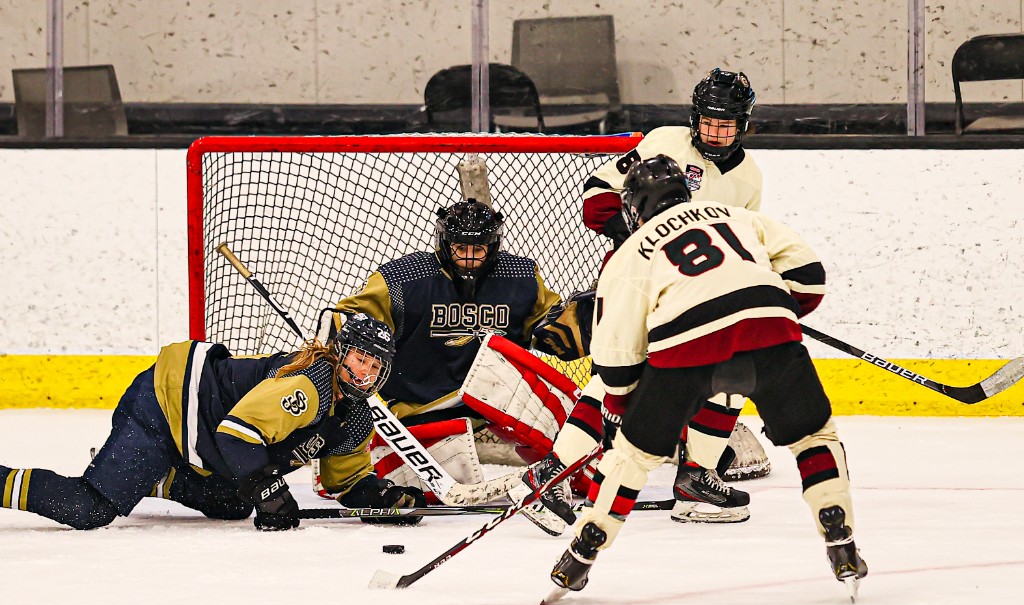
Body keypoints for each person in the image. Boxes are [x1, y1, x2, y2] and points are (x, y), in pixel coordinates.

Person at [545, 156, 867, 603]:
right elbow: (809, 279)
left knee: (633, 457)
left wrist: (623, 406)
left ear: (634, 206)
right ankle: (839, 532)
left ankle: (582, 552)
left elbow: (615, 351)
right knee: (813, 436)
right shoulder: (741, 217)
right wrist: (772, 314)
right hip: (769, 331)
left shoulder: (629, 254)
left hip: (685, 350)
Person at [523, 68, 768, 530]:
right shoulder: (664, 142)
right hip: (635, 284)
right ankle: (551, 474)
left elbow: (741, 240)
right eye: (709, 122)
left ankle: (697, 477)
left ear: (744, 124)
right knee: (618, 379)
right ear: (695, 119)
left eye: (727, 124)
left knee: (732, 372)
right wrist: (636, 237)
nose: (716, 132)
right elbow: (597, 196)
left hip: (693, 292)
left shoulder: (749, 178)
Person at [0, 313, 426, 530]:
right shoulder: (309, 387)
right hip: (166, 405)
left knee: (235, 503)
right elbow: (238, 435)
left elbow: (346, 483)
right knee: (88, 509)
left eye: (374, 365)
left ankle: (154, 477)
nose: (363, 373)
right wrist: (271, 490)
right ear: (340, 353)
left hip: (200, 427)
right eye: (357, 359)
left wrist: (383, 499)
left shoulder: (354, 418)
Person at [315, 198, 564, 508]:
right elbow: (356, 315)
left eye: (479, 249)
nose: (470, 258)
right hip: (413, 405)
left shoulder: (521, 277)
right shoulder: (402, 279)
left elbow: (554, 323)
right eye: (461, 248)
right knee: (410, 483)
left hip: (489, 398)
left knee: (559, 408)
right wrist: (340, 324)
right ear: (445, 243)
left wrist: (579, 322)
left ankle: (573, 471)